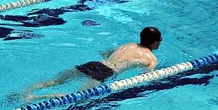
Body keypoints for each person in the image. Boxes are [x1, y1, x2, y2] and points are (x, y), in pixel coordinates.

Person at [21, 27, 163, 101]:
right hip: (105, 72)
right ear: (155, 42)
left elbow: (105, 53)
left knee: (54, 81)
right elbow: (146, 76)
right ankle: (35, 98)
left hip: (94, 64)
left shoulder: (129, 45)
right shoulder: (151, 58)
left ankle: (24, 92)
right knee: (77, 97)